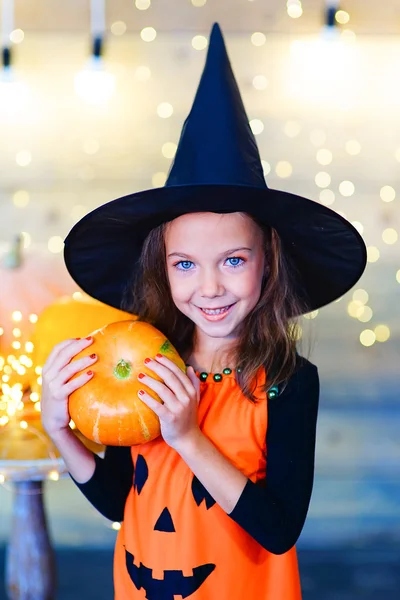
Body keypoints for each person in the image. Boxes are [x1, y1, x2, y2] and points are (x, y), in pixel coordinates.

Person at [40, 23, 367, 600]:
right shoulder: (147, 366)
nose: (210, 286)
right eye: (186, 264)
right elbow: (124, 500)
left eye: (234, 260)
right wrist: (60, 431)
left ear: (268, 261)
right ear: (162, 269)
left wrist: (189, 437)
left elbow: (278, 529)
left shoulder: (287, 384)